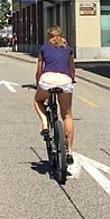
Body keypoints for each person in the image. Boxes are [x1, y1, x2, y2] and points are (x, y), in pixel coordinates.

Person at [33, 25, 76, 165]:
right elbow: (71, 68)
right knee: (67, 115)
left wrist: (38, 82)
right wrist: (72, 79)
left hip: (48, 78)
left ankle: (45, 125)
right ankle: (69, 151)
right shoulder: (68, 49)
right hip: (64, 80)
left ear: (48, 36)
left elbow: (39, 69)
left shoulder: (44, 48)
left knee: (37, 101)